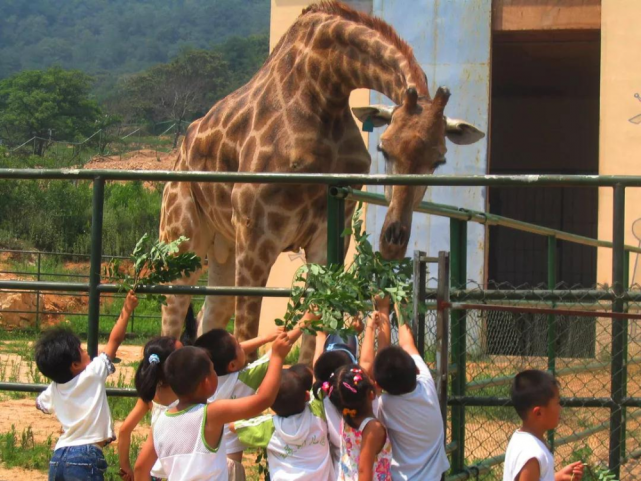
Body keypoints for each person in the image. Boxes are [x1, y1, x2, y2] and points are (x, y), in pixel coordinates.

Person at [133, 333, 294, 481]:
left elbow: (140, 468)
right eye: (212, 370)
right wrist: (278, 357)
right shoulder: (211, 414)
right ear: (206, 382)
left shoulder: (159, 423)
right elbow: (263, 400)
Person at [35, 291, 138, 481]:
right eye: (81, 350)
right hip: (85, 456)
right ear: (74, 365)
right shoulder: (93, 373)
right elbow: (114, 341)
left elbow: (39, 404)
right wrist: (127, 309)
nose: (86, 351)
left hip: (58, 457)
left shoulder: (55, 387)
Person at [194, 319, 306, 480]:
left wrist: (265, 338)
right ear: (232, 365)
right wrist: (305, 323)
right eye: (239, 345)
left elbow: (228, 354)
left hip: (201, 463)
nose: (243, 346)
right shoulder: (242, 379)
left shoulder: (200, 380)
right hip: (228, 467)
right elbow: (275, 353)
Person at [373, 315, 449, 481]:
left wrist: (383, 311)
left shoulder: (385, 405)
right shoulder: (427, 384)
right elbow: (407, 343)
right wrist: (400, 308)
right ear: (416, 370)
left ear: (380, 386)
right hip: (435, 477)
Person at [231, 369, 334, 480]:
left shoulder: (269, 427)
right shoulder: (316, 410)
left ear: (270, 405)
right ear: (307, 395)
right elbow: (321, 383)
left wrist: (259, 403)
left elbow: (233, 426)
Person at [118, 336, 182, 481]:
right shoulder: (189, 393)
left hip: (153, 470)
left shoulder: (151, 394)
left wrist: (125, 467)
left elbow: (124, 430)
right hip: (181, 471)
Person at [503, 370, 584, 481]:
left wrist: (557, 478)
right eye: (557, 403)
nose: (561, 408)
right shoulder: (532, 454)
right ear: (539, 413)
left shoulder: (521, 439)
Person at [329, 364, 392, 480]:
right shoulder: (373, 429)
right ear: (371, 394)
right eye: (369, 377)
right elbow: (364, 471)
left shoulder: (347, 415)